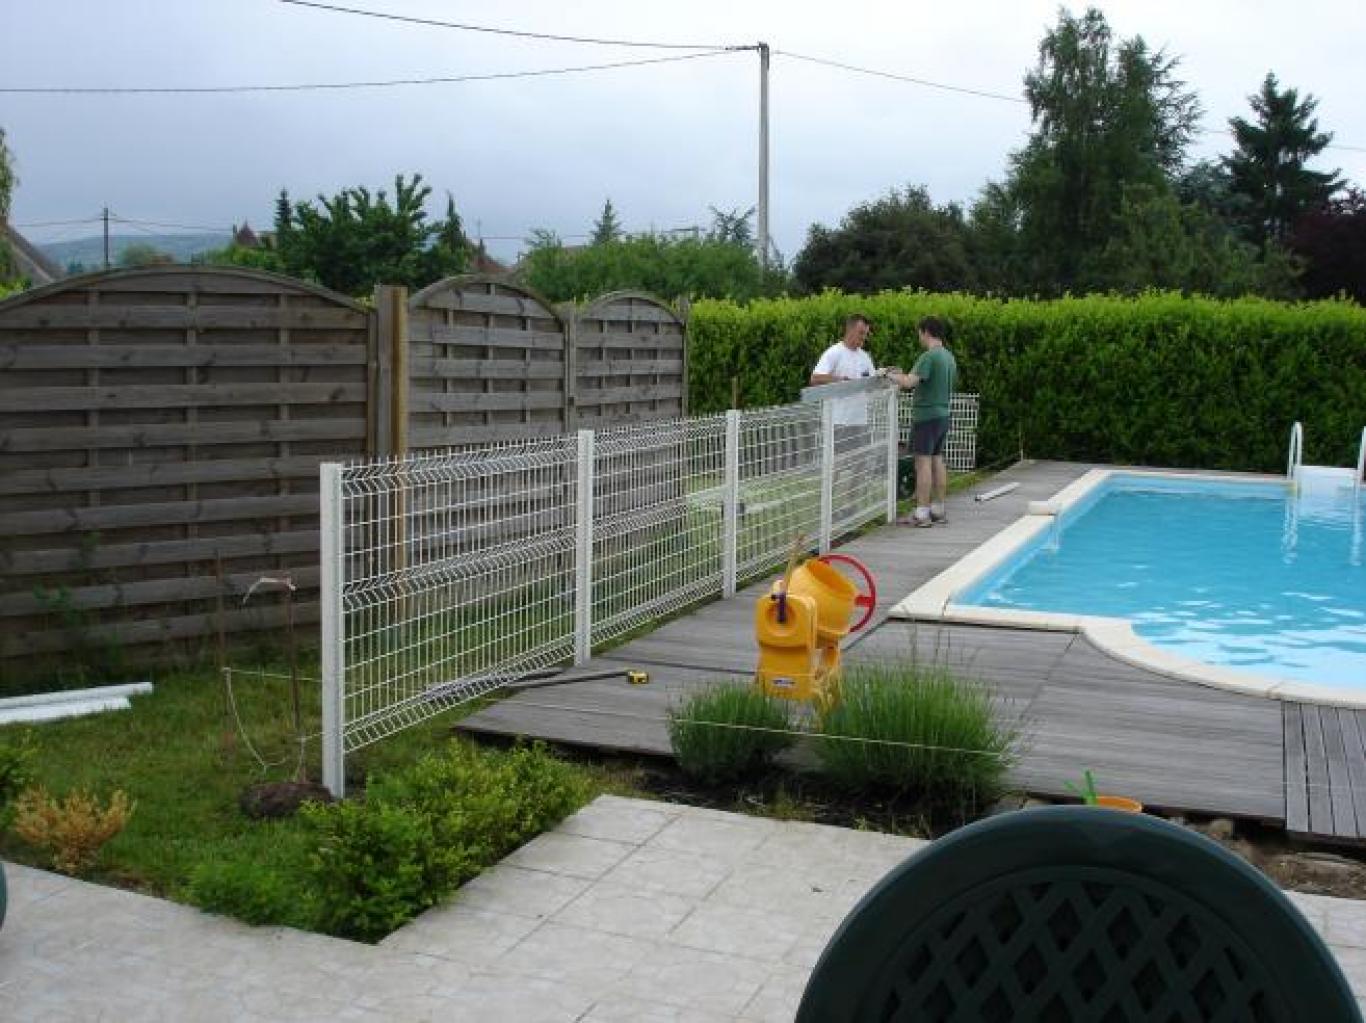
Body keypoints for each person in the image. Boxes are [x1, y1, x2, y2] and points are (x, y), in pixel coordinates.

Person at [899, 316, 957, 528]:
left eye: (919, 333)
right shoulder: (949, 357)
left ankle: (921, 513)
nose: (919, 337)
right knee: (937, 460)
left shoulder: (929, 357)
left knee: (922, 463)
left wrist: (889, 374)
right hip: (943, 415)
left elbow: (908, 382)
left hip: (926, 416)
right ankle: (938, 509)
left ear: (925, 332)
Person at [809, 313, 877, 428]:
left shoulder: (865, 357)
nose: (864, 337)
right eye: (861, 333)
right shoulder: (834, 352)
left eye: (866, 334)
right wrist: (841, 380)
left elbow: (873, 382)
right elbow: (815, 378)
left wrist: (885, 376)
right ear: (849, 330)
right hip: (837, 421)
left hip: (861, 421)